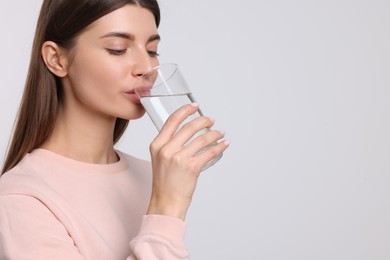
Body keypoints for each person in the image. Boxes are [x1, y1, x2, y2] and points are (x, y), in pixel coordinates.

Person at [0, 0, 229, 259]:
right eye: (118, 49)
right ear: (57, 59)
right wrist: (166, 208)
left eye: (152, 50)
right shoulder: (21, 199)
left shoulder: (151, 175)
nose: (146, 68)